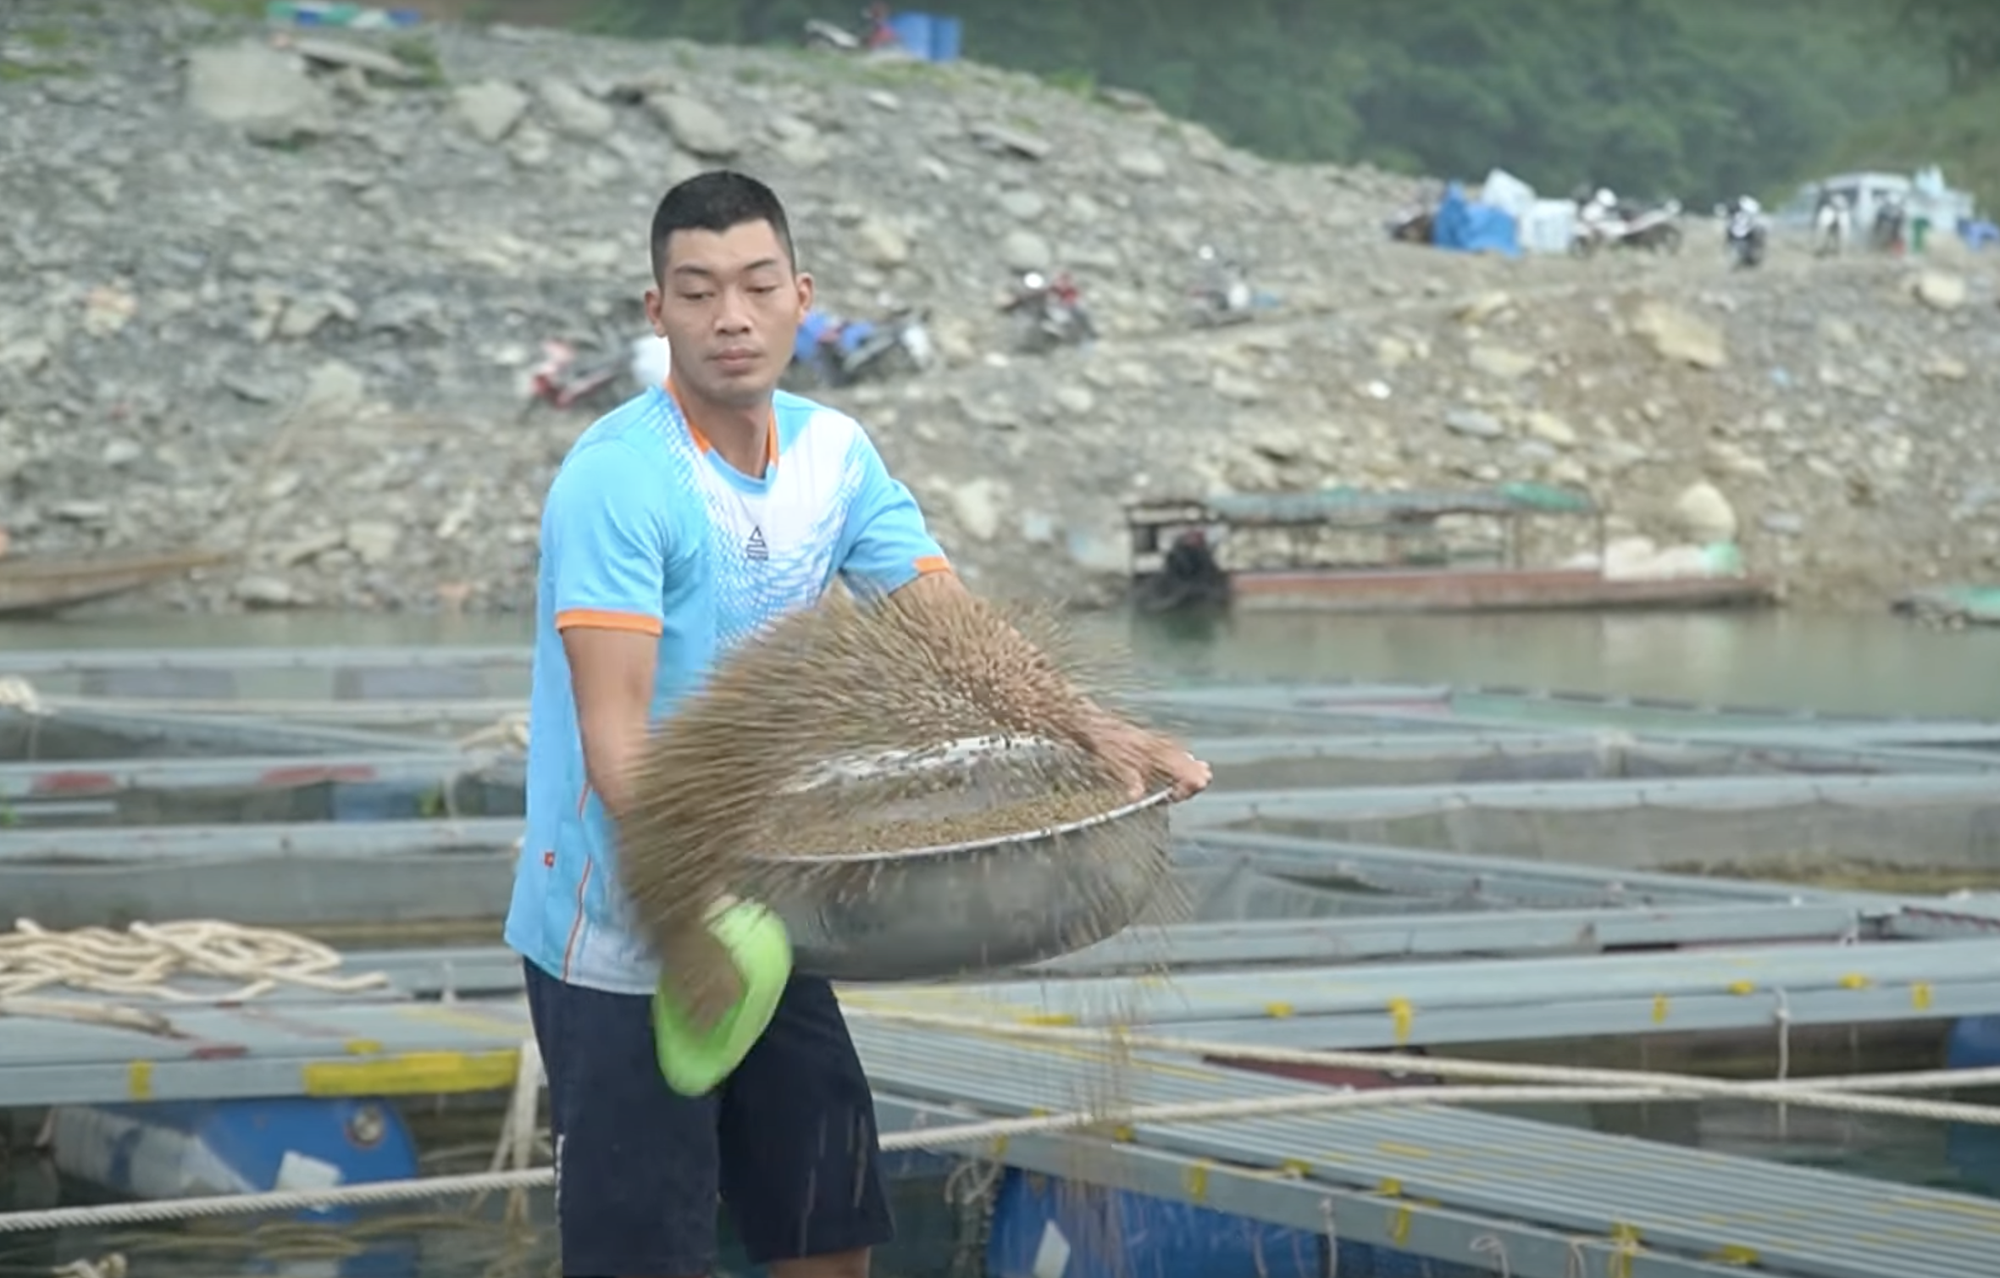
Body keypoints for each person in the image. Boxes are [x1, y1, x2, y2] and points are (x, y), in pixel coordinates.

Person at [504, 169, 1211, 1278]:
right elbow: (615, 746)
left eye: (754, 285)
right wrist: (689, 925)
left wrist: (1095, 734)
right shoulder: (618, 482)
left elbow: (953, 632)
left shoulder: (833, 455)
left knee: (830, 1238)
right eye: (694, 294)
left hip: (778, 914)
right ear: (656, 314)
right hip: (628, 934)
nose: (728, 318)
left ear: (801, 296)